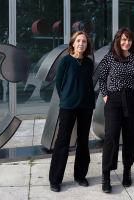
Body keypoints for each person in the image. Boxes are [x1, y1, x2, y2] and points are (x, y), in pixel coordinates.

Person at [98, 27, 134, 193]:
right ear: (118, 40)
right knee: (111, 138)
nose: (127, 42)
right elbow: (101, 78)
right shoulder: (110, 58)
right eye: (124, 39)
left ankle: (127, 170)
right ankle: (106, 176)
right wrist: (105, 95)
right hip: (115, 100)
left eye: (129, 40)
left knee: (131, 137)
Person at [49, 31, 95, 192]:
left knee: (83, 141)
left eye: (84, 41)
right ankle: (55, 179)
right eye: (78, 41)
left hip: (86, 106)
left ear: (86, 44)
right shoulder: (65, 61)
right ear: (73, 43)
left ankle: (80, 176)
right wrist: (67, 98)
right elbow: (59, 84)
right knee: (62, 141)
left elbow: (89, 82)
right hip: (68, 107)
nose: (81, 43)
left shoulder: (89, 62)